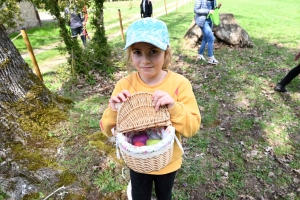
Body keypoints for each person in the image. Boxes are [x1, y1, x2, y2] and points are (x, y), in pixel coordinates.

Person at [99, 18, 201, 200]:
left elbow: (192, 127)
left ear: (166, 53)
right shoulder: (124, 86)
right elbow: (106, 130)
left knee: (165, 195)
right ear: (130, 54)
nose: (145, 60)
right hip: (137, 163)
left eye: (153, 51)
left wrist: (173, 107)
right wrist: (114, 110)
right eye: (137, 52)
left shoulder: (179, 84)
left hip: (168, 162)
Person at [194, 0, 221, 64]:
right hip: (202, 20)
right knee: (211, 38)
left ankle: (200, 55)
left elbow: (212, 9)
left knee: (205, 38)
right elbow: (196, 10)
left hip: (210, 20)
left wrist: (217, 7)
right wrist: (208, 11)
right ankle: (210, 58)